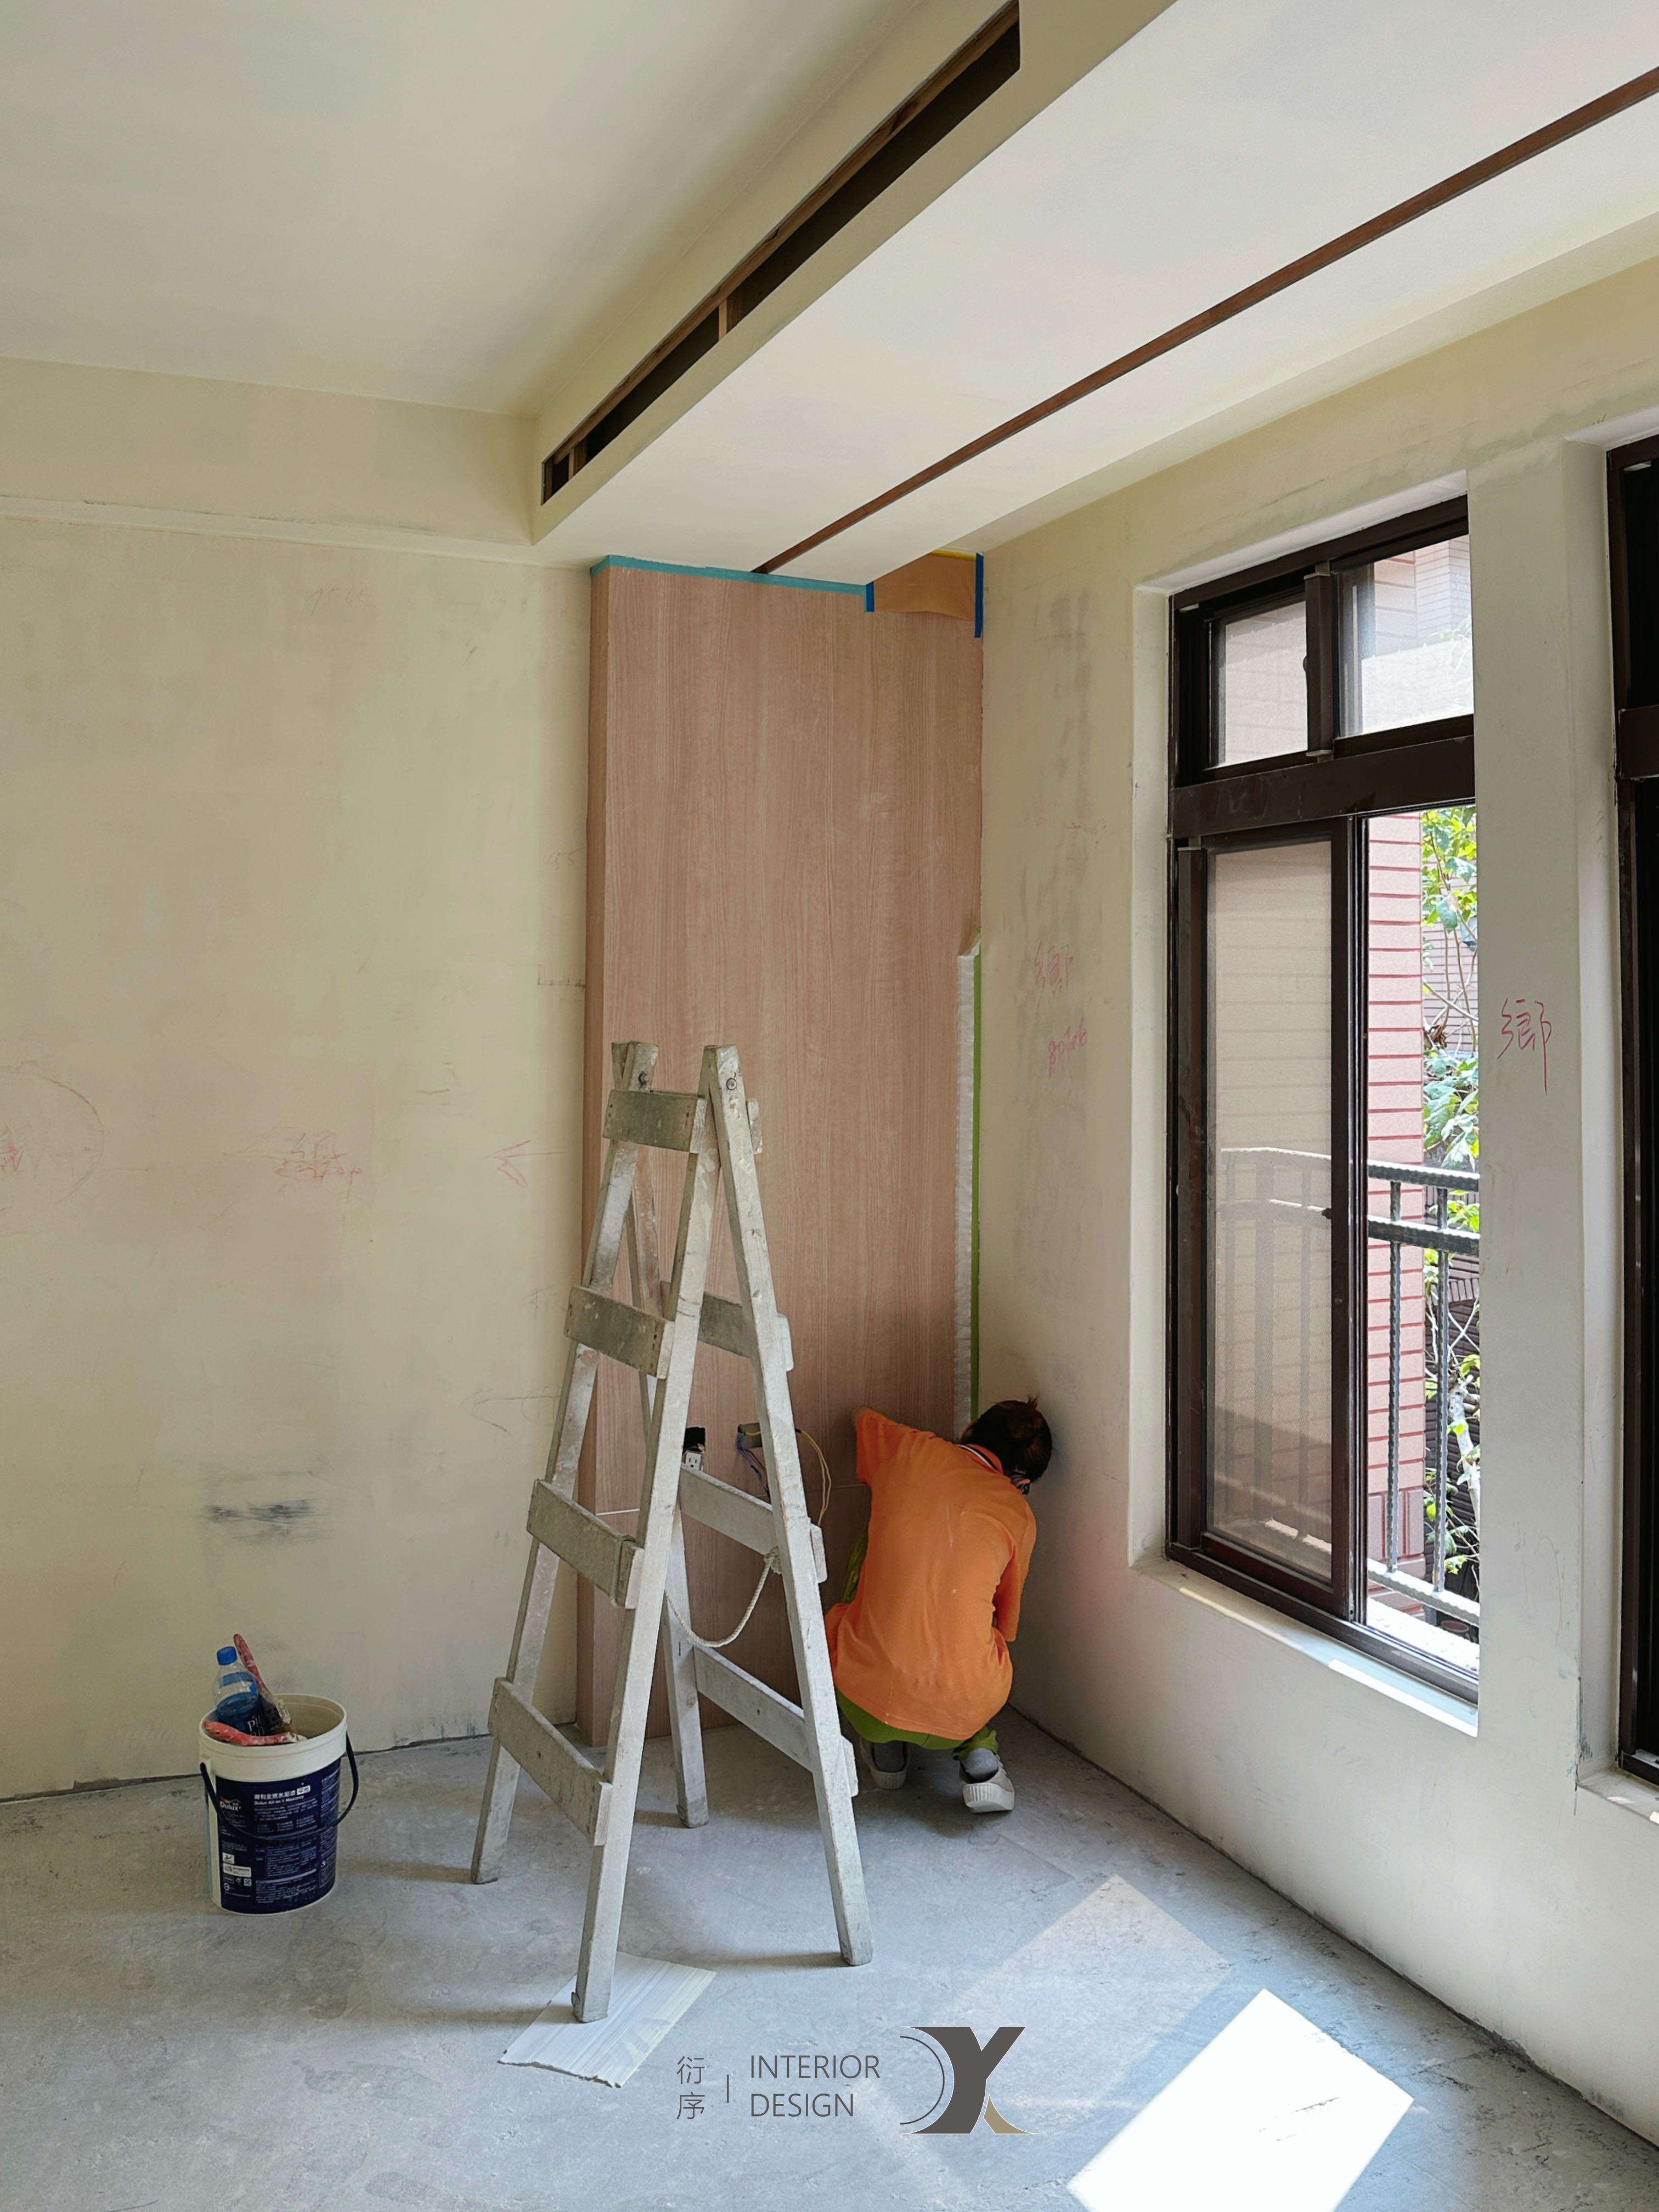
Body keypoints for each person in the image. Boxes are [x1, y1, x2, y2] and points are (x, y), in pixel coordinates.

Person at [823, 1398, 1050, 1815]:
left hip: (865, 1697)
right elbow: (1008, 1624)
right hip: (966, 1705)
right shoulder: (1019, 1513)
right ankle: (978, 1754)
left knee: (872, 1546)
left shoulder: (908, 1448)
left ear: (968, 1430)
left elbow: (858, 1415)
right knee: (973, 1628)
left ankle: (884, 1746)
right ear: (1021, 1481)